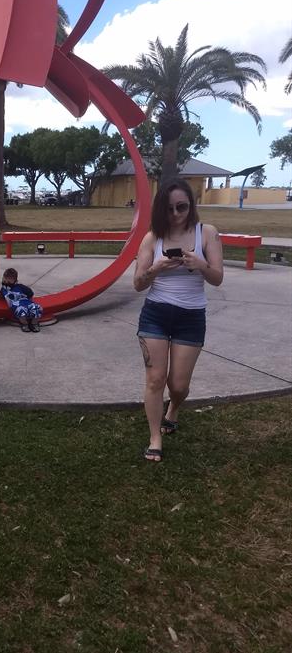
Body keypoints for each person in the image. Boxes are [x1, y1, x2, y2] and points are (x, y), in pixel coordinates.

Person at [134, 178, 223, 462]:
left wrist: (200, 264)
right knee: (155, 379)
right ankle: (155, 437)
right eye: (169, 209)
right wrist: (155, 269)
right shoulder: (152, 238)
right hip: (156, 313)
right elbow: (137, 283)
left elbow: (217, 278)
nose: (175, 214)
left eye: (181, 207)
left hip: (191, 316)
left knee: (178, 385)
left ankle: (173, 408)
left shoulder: (206, 233)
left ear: (191, 205)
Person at [0, 268, 43, 332]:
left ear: (15, 281)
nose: (7, 281)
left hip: (27, 302)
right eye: (5, 279)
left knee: (37, 308)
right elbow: (1, 294)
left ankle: (34, 323)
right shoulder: (3, 289)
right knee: (21, 311)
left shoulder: (20, 286)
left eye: (10, 280)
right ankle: (24, 324)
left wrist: (28, 299)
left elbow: (30, 292)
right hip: (17, 305)